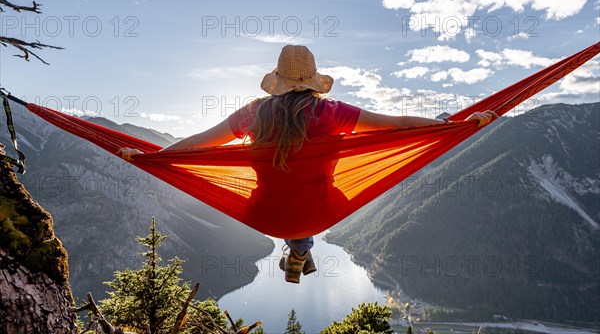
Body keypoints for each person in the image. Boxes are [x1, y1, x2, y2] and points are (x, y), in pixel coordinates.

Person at [118, 45, 497, 284]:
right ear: (312, 82)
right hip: (320, 210)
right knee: (309, 200)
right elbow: (397, 124)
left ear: (278, 81)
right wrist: (455, 126)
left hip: (264, 212)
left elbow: (199, 143)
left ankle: (298, 248)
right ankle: (299, 248)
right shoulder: (331, 111)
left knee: (284, 195)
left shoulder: (253, 114)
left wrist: (153, 158)